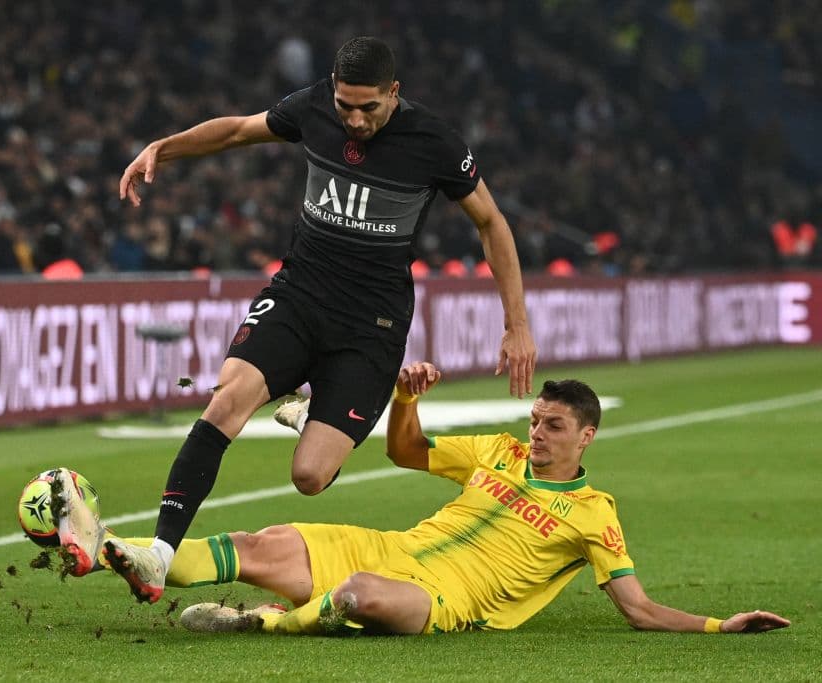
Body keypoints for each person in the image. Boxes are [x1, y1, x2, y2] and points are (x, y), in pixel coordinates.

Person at [101, 36, 538, 603]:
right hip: (299, 295)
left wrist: (516, 323)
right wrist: (163, 148)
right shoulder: (312, 106)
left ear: (394, 92)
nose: (354, 120)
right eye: (344, 106)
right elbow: (237, 131)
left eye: (368, 108)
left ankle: (313, 408)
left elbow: (491, 222)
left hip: (371, 325)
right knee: (227, 401)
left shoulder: (434, 142)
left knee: (309, 476)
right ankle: (159, 555)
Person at [47, 362, 790, 636]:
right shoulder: (499, 452)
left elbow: (638, 608)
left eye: (553, 426)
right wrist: (406, 398)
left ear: (586, 436)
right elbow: (407, 451)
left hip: (443, 598)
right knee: (255, 543)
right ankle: (117, 548)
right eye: (536, 420)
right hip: (392, 546)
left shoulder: (596, 514)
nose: (537, 433)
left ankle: (261, 621)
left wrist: (720, 624)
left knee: (359, 596)